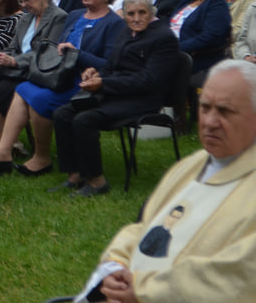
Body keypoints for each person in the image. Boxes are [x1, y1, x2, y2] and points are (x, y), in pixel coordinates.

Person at [75, 60, 256, 302]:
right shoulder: (191, 166)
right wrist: (115, 266)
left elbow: (237, 275)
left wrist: (142, 290)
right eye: (205, 108)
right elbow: (143, 226)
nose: (210, 122)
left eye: (225, 111)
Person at [0, 0, 125, 176]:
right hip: (59, 73)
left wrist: (77, 54)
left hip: (87, 82)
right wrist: (2, 57)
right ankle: (4, 152)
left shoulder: (113, 23)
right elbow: (52, 50)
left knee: (36, 97)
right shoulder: (76, 15)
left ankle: (41, 157)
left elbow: (108, 64)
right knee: (23, 89)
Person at [51, 0, 180, 197]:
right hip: (115, 92)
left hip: (144, 99)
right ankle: (75, 175)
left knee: (85, 120)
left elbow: (149, 80)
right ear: (125, 15)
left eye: (142, 13)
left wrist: (104, 82)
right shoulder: (125, 32)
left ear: (151, 13)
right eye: (130, 14)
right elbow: (112, 65)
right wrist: (95, 73)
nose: (136, 19)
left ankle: (96, 181)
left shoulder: (163, 37)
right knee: (62, 114)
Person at [0, 0, 67, 143]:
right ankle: (10, 143)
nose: (23, 5)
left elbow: (46, 52)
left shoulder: (58, 17)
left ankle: (3, 147)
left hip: (36, 71)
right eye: (21, 1)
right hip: (16, 69)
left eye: (27, 0)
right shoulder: (26, 18)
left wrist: (14, 61)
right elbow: (13, 47)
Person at [170, 0, 232, 79]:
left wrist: (176, 47)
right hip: (170, 54)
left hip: (195, 63)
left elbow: (210, 37)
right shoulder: (187, 0)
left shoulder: (217, 5)